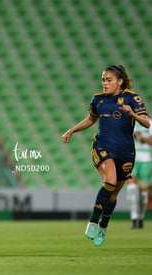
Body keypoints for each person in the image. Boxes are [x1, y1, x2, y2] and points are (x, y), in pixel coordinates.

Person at [62, 65, 150, 247]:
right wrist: (72, 130)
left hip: (125, 151)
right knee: (110, 180)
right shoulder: (98, 100)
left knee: (112, 195)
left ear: (119, 82)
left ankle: (103, 224)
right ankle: (93, 221)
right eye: (103, 79)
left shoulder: (132, 98)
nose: (104, 83)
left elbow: (147, 123)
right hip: (102, 145)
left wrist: (132, 113)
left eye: (109, 80)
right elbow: (91, 119)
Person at [126, 118, 152, 229]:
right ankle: (134, 217)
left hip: (146, 160)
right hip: (132, 159)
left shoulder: (150, 123)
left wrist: (143, 139)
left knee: (143, 191)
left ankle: (140, 217)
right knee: (131, 186)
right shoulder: (130, 122)